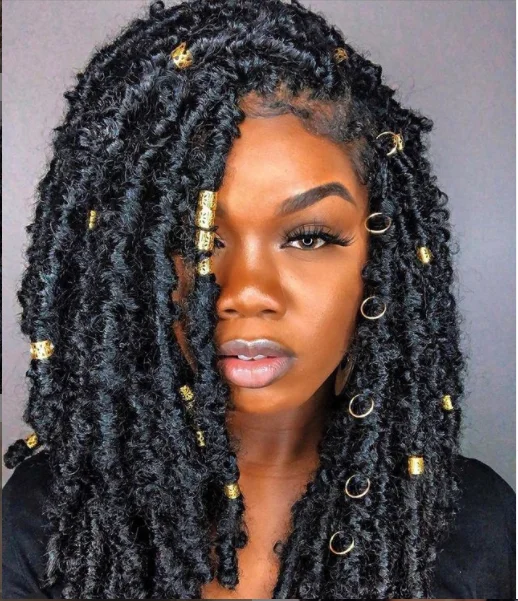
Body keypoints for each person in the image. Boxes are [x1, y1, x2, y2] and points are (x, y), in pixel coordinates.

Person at [2, 0, 515, 599]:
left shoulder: (473, 525)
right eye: (193, 238)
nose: (246, 292)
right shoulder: (50, 515)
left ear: (380, 261)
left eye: (309, 237)